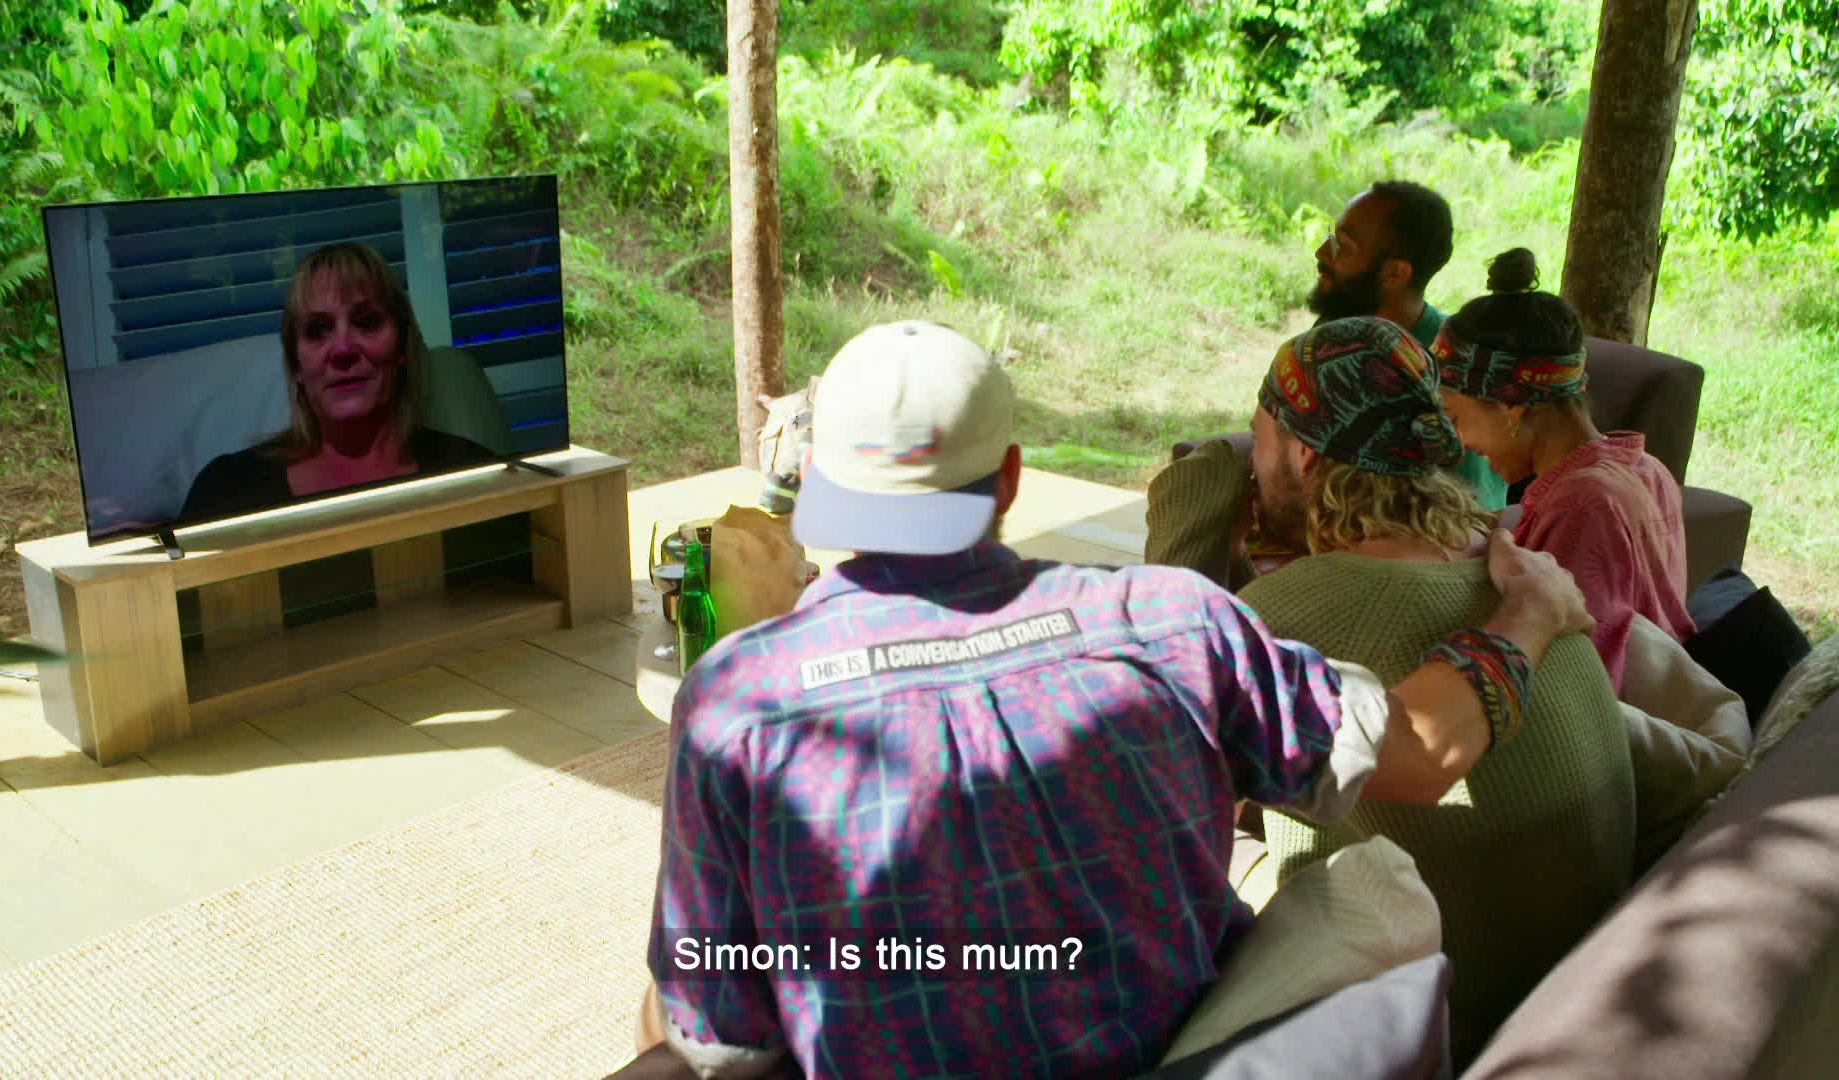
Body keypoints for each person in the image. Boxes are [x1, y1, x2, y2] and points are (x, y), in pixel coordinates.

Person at [627, 319, 1596, 1078]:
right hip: (1176, 1055)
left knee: (667, 1001)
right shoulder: (1174, 622)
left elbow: (721, 1040)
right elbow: (1419, 745)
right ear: (1010, 478)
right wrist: (1527, 616)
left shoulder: (736, 700)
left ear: (817, 482)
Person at [1147, 316, 1636, 1065]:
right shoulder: (1518, 567)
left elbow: (1155, 776)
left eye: (1261, 441)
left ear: (1305, 456)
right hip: (1570, 988)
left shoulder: (1292, 612)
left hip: (1438, 1020)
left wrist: (1187, 534)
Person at [1432, 247, 1696, 692]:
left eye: (1456, 417)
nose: (1460, 440)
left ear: (1511, 406)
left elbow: (1569, 674)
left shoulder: (1582, 504)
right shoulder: (1647, 469)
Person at [178, 242, 494, 523]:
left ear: (402, 347)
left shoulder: (476, 476)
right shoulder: (225, 491)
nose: (343, 349)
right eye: (317, 330)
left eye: (367, 322)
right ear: (296, 365)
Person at [1307, 181, 1508, 511]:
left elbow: (1473, 512)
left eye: (1342, 246)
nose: (1321, 253)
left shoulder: (1457, 371)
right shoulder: (1333, 334)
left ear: (1394, 273)